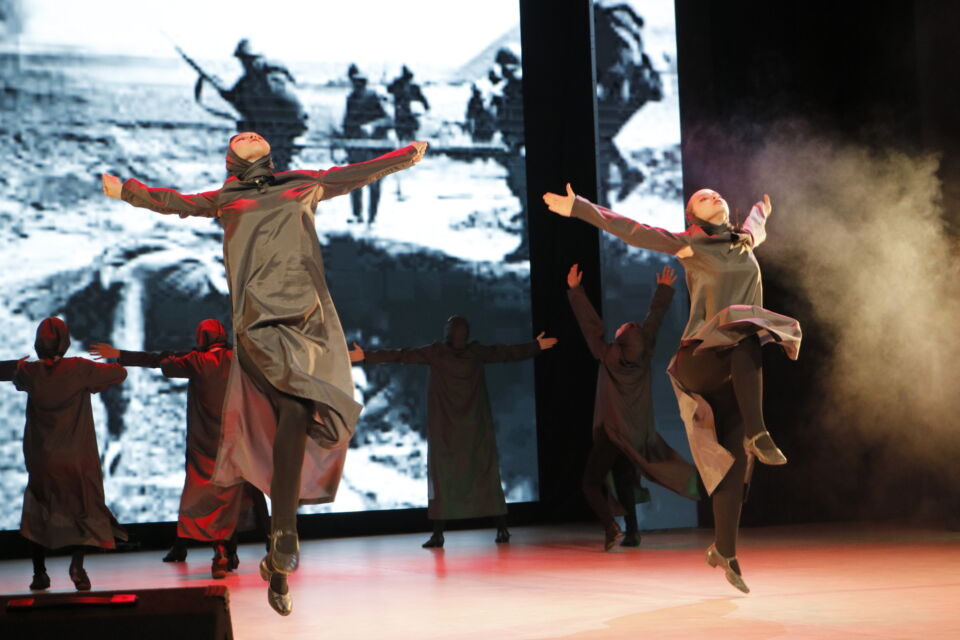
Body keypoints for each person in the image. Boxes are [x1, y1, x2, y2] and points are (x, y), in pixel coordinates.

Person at [102, 132, 427, 615]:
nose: (250, 134)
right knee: (292, 407)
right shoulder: (224, 200)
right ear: (231, 158)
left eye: (255, 134)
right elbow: (174, 202)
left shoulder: (302, 183)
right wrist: (127, 191)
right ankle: (285, 532)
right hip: (259, 321)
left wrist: (404, 157)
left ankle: (279, 561)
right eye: (240, 137)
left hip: (308, 319)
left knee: (301, 412)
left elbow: (353, 175)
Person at [544, 184, 801, 593]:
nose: (715, 197)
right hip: (699, 357)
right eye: (704, 197)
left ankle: (725, 551)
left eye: (718, 195)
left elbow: (755, 226)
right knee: (745, 327)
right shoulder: (689, 245)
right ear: (691, 216)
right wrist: (580, 207)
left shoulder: (744, 241)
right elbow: (632, 230)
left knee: (731, 463)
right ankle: (759, 432)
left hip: (736, 368)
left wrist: (761, 211)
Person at [349, 319, 558, 548]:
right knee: (484, 476)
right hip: (474, 428)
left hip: (446, 430)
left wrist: (366, 356)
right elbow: (506, 353)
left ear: (448, 333)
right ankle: (501, 529)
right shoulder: (475, 353)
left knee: (444, 480)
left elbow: (401, 355)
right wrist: (535, 346)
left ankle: (441, 534)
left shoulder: (437, 353)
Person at [89, 319, 269, 579]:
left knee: (204, 499)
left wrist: (120, 355)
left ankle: (218, 551)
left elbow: (160, 359)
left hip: (205, 446)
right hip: (236, 442)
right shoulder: (239, 359)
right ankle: (251, 546)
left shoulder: (196, 361)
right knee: (237, 495)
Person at [567, 263, 701, 550]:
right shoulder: (644, 350)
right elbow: (654, 321)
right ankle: (633, 532)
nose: (628, 324)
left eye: (627, 327)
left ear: (621, 339)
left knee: (590, 483)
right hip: (634, 434)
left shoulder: (608, 354)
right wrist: (664, 289)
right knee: (623, 480)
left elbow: (591, 328)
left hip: (613, 432)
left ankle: (611, 527)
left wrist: (576, 291)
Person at [0, 318, 128, 592]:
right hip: (77, 457)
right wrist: (112, 359)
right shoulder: (80, 369)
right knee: (83, 509)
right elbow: (119, 374)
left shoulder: (29, 372)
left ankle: (39, 573)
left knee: (39, 513)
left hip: (43, 459)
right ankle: (77, 566)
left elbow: (10, 374)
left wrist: (18, 365)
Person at [343, 64, 392, 225]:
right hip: (356, 145)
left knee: (374, 182)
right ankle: (357, 214)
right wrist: (346, 143)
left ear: (364, 82)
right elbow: (347, 123)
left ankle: (372, 217)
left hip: (375, 146)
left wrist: (372, 125)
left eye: (360, 81)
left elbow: (388, 119)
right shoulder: (351, 99)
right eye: (354, 81)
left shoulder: (374, 96)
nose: (356, 85)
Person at [387, 65, 430, 141]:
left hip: (406, 115)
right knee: (404, 134)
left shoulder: (411, 87)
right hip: (403, 115)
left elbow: (422, 99)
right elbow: (389, 89)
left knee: (407, 134)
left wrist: (426, 107)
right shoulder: (400, 86)